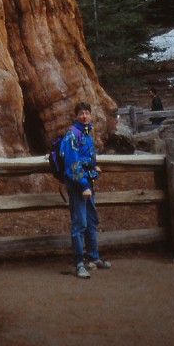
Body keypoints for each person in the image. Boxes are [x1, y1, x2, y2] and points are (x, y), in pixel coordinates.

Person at [61, 101, 111, 279]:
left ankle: (93, 257)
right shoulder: (72, 135)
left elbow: (85, 158)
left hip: (87, 183)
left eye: (87, 113)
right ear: (76, 116)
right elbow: (72, 164)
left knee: (91, 220)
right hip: (78, 186)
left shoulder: (86, 133)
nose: (84, 116)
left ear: (90, 115)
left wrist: (92, 167)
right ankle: (79, 263)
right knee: (79, 222)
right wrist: (83, 185)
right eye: (81, 113)